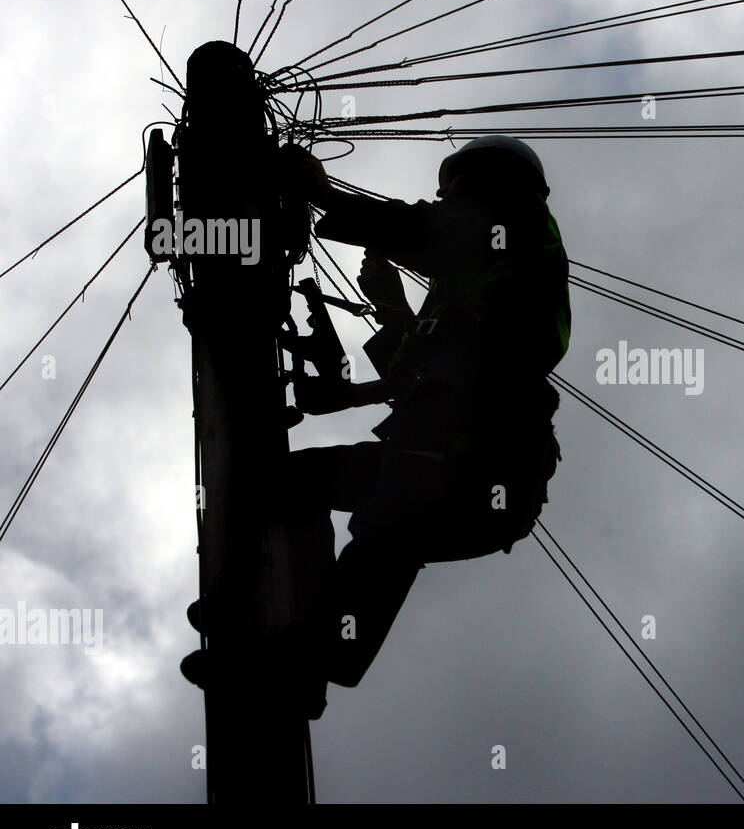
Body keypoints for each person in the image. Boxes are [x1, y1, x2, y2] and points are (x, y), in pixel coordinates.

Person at [181, 136, 571, 711]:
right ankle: (255, 606)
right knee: (285, 483)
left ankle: (303, 661)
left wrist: (322, 194)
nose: (448, 203)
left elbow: (429, 232)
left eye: (455, 193)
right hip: (449, 463)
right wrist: (391, 309)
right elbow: (412, 380)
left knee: (391, 522)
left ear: (490, 184)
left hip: (483, 464)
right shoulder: (467, 291)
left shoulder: (520, 227)